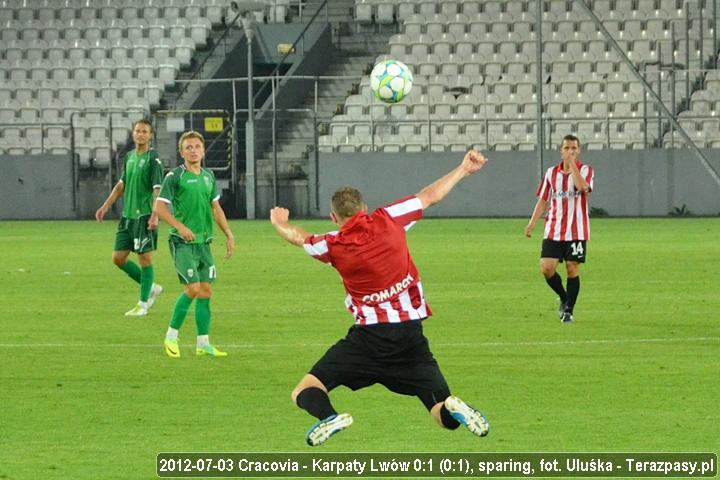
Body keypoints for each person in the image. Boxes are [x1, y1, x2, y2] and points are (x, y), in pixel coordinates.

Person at [270, 150, 491, 446]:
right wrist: (463, 169)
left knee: (306, 389)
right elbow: (429, 196)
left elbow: (300, 237)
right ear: (364, 207)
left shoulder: (332, 245)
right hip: (411, 338)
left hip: (368, 340)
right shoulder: (390, 219)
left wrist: (279, 223)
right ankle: (455, 409)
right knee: (440, 411)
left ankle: (329, 416)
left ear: (333, 217)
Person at [154, 131, 234, 358]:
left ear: (203, 150)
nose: (193, 150)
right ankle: (171, 336)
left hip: (203, 242)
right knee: (192, 288)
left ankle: (203, 343)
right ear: (182, 152)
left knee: (206, 291)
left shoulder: (208, 176)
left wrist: (228, 233)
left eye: (197, 146)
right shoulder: (174, 176)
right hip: (182, 242)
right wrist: (179, 226)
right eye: (188, 147)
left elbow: (215, 208)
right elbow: (159, 208)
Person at [95, 118, 164, 316]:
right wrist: (106, 206)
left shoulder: (153, 159)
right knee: (118, 258)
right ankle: (150, 287)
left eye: (144, 131)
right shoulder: (129, 157)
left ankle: (143, 305)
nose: (140, 134)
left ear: (150, 135)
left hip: (143, 216)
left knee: (145, 259)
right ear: (133, 134)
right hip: (127, 217)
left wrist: (155, 215)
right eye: (137, 131)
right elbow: (121, 185)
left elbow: (158, 190)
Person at [524, 134, 594, 323]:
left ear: (578, 150)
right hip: (553, 229)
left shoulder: (586, 170)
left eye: (574, 148)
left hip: (576, 230)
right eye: (567, 148)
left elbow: (581, 187)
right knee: (547, 268)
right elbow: (543, 200)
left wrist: (572, 166)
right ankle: (564, 297)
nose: (570, 152)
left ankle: (569, 310)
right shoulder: (551, 173)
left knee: (572, 268)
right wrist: (532, 223)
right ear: (561, 151)